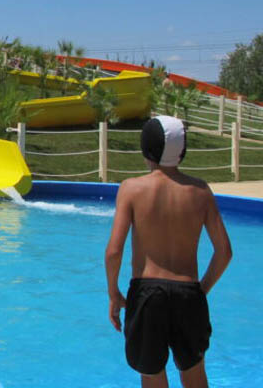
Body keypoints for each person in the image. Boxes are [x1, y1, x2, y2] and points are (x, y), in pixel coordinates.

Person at [105, 115, 232, 388]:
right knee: (194, 373)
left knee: (152, 374)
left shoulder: (132, 188)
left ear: (146, 149)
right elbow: (224, 252)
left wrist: (114, 293)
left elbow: (114, 251)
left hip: (147, 294)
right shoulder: (200, 191)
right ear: (182, 151)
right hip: (189, 293)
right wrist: (201, 290)